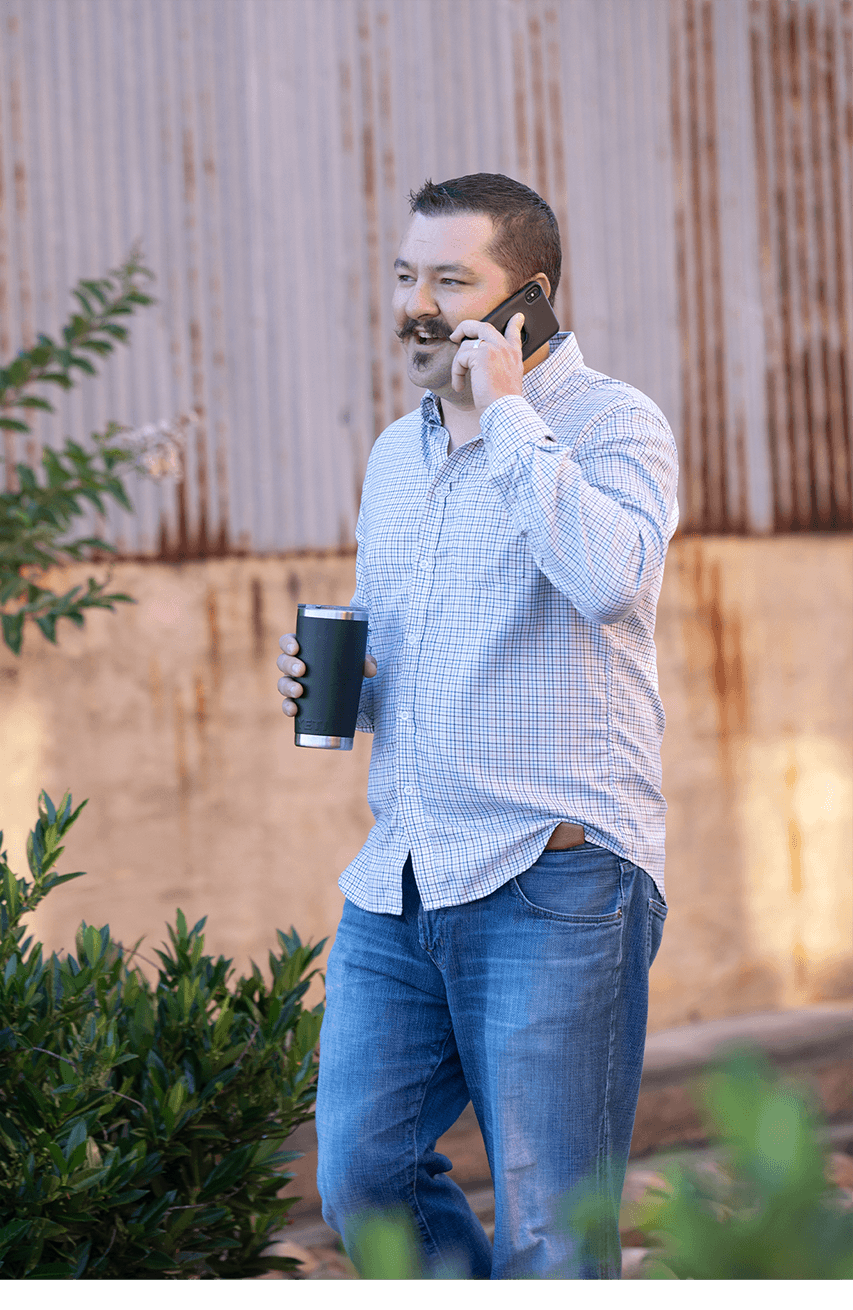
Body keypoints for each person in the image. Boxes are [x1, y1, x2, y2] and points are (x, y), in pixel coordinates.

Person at [276, 173, 679, 1280]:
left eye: (450, 279)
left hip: (553, 883)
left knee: (552, 1229)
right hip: (400, 879)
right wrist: (331, 681)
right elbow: (408, 661)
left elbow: (609, 579)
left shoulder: (614, 423)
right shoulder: (395, 456)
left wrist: (505, 409)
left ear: (529, 300)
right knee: (362, 1176)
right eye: (408, 273)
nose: (417, 301)